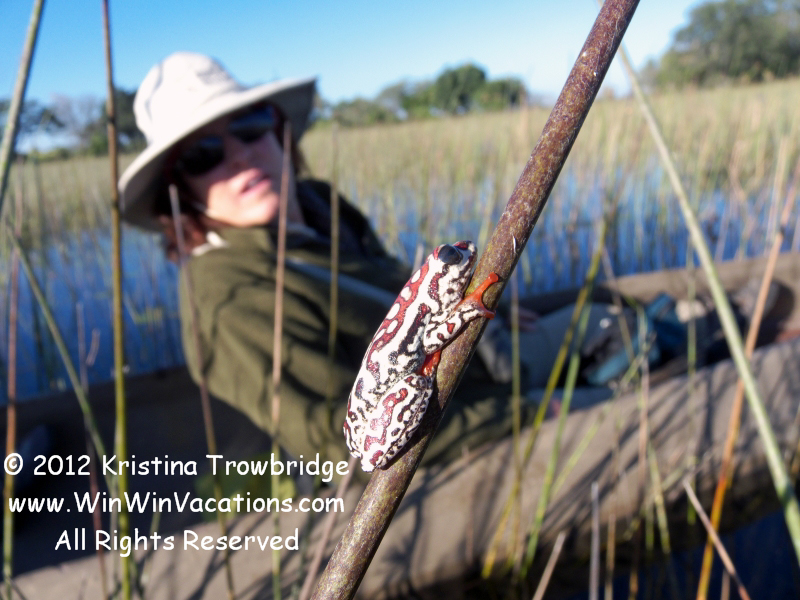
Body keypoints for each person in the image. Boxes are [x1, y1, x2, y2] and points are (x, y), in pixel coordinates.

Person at [119, 52, 616, 472]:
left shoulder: (319, 204)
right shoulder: (224, 301)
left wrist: (480, 313)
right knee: (615, 400)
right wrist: (522, 414)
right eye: (203, 154)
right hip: (452, 420)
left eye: (249, 125)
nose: (239, 156)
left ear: (277, 128)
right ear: (176, 189)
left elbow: (398, 288)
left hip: (480, 353)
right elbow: (337, 446)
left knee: (610, 321)